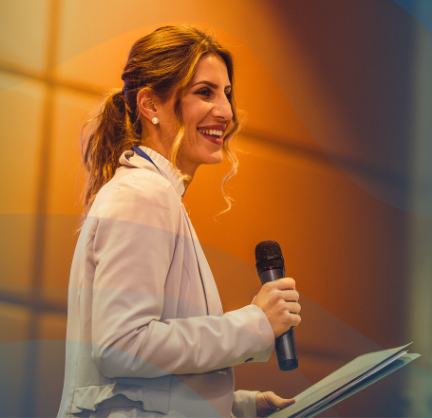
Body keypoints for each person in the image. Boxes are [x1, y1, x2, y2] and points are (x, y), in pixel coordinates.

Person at [58, 25, 302, 418]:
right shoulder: (143, 194)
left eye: (226, 94)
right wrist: (254, 323)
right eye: (204, 92)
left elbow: (140, 384)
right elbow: (123, 347)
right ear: (150, 105)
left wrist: (236, 407)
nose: (225, 111)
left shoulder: (156, 194)